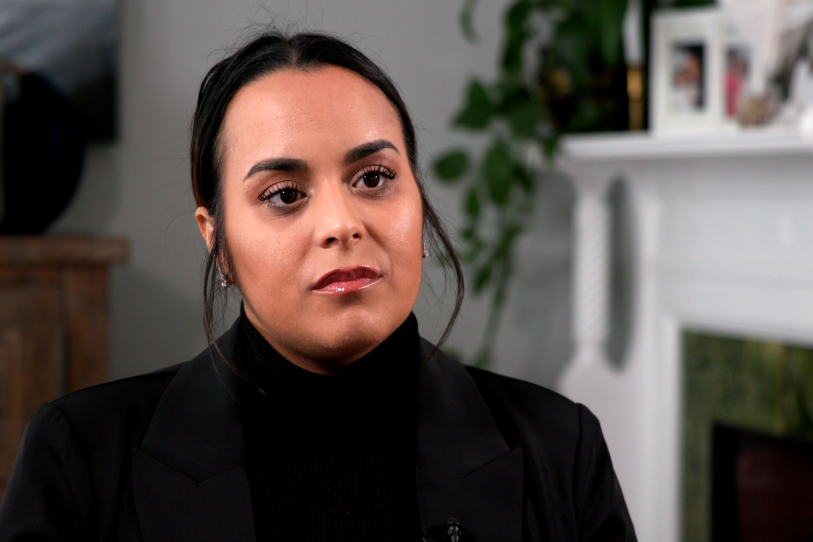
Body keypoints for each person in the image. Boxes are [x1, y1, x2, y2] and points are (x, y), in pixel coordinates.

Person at [0, 30, 636, 542]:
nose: (341, 224)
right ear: (216, 239)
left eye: (373, 178)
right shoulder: (80, 455)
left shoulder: (560, 447)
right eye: (284, 194)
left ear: (418, 198)